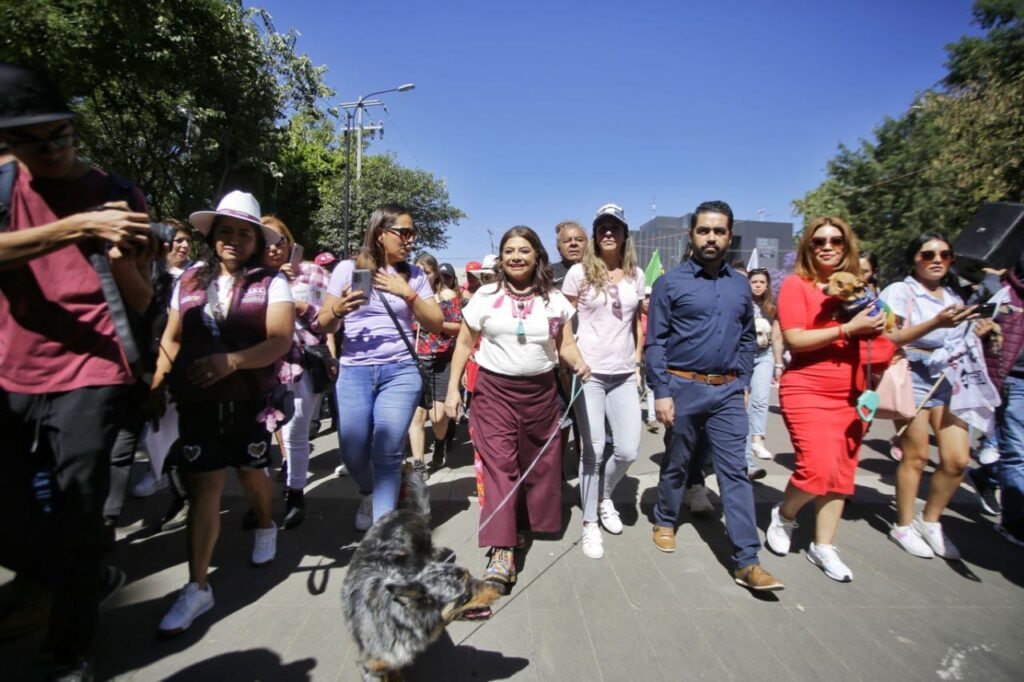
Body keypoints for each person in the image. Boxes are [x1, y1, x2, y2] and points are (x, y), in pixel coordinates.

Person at [0, 62, 155, 678]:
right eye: (32, 140)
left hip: (95, 371)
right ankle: (75, 573)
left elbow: (143, 299)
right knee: (18, 515)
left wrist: (121, 259)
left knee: (77, 509)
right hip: (12, 373)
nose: (52, 150)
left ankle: (69, 650)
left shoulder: (118, 193)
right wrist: (76, 227)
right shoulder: (6, 189)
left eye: (59, 134)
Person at [151, 191, 293, 636]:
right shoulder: (189, 279)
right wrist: (155, 383)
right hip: (197, 401)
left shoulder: (273, 282)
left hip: (251, 399)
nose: (233, 239)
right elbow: (171, 338)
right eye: (225, 231)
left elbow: (279, 340)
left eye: (243, 233)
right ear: (212, 235)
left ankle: (266, 524)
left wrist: (232, 362)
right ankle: (197, 587)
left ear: (255, 240)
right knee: (205, 486)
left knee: (253, 475)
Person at [645, 200, 783, 592]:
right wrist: (661, 391)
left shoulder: (741, 284)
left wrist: (740, 379)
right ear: (692, 235)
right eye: (704, 230)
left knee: (734, 473)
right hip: (682, 387)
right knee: (678, 460)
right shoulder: (670, 283)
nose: (711, 237)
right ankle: (665, 519)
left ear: (729, 236)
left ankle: (747, 560)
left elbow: (744, 335)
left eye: (718, 231)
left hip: (726, 392)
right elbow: (655, 342)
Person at [445, 226, 589, 592]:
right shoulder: (484, 297)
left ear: (537, 255)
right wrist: (451, 392)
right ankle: (501, 549)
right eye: (509, 250)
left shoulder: (555, 301)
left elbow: (566, 345)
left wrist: (580, 363)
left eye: (524, 250)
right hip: (493, 394)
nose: (516, 257)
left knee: (535, 466)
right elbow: (464, 344)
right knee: (500, 468)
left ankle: (517, 525)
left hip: (541, 395)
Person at [767, 217, 891, 582]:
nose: (827, 246)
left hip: (853, 392)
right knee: (816, 468)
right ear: (807, 246)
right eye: (818, 240)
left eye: (836, 240)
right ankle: (785, 515)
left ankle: (824, 546)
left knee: (841, 474)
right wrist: (850, 328)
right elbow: (795, 339)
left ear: (846, 245)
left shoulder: (860, 290)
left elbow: (888, 338)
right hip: (807, 388)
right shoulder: (796, 285)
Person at [318, 204, 443, 530]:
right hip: (355, 371)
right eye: (404, 232)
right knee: (352, 449)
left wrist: (410, 295)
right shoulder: (347, 269)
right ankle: (371, 491)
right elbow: (324, 325)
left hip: (400, 371)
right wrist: (340, 310)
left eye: (413, 233)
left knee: (387, 450)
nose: (411, 239)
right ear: (379, 233)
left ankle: (383, 533)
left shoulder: (414, 275)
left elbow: (436, 324)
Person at [880, 234, 981, 560]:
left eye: (945, 254)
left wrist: (979, 327)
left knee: (956, 460)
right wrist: (935, 322)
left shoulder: (956, 293)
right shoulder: (899, 291)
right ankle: (904, 524)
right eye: (928, 254)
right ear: (914, 258)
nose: (937, 260)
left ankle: (931, 519)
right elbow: (888, 337)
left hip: (951, 376)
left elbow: (959, 335)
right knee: (917, 456)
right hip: (912, 372)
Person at [562, 203, 645, 559]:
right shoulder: (579, 274)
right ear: (596, 235)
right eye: (602, 227)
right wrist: (572, 360)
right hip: (589, 374)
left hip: (624, 373)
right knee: (593, 450)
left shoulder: (637, 275)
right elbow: (561, 322)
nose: (608, 232)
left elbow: (637, 322)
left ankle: (603, 494)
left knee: (627, 449)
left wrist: (638, 360)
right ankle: (590, 523)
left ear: (625, 234)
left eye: (615, 227)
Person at [261, 215, 331, 529]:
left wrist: (300, 305)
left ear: (290, 242)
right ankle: (259, 497)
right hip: (260, 364)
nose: (274, 249)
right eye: (265, 243)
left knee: (295, 433)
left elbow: (327, 322)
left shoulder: (312, 274)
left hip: (303, 362)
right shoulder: (250, 277)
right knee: (259, 434)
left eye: (280, 241)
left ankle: (295, 492)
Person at [977, 254, 1024, 545]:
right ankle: (1016, 522)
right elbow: (976, 326)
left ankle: (987, 476)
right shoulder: (1003, 292)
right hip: (1015, 380)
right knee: (1018, 452)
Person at [408, 257, 462, 475]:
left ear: (435, 274)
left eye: (427, 272)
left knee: (438, 417)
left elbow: (458, 328)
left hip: (441, 361)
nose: (422, 276)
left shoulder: (447, 297)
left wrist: (433, 323)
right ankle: (419, 464)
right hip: (416, 361)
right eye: (417, 271)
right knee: (417, 416)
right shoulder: (408, 297)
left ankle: (440, 442)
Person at [746, 268, 784, 462]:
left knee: (760, 399)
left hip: (765, 355)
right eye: (754, 282)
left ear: (767, 285)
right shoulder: (741, 303)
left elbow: (777, 335)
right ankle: (742, 444)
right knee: (744, 402)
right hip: (743, 355)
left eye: (762, 282)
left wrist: (778, 364)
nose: (758, 285)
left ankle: (757, 440)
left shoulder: (773, 306)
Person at [550, 219, 587, 285]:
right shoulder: (548, 273)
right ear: (558, 248)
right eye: (567, 241)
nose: (573, 243)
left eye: (579, 240)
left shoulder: (599, 271)